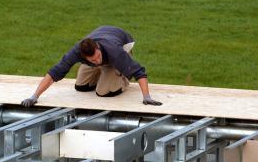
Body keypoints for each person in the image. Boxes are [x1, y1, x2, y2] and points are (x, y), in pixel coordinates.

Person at [21, 26, 162, 107]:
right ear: (83, 57)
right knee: (81, 87)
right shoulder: (76, 52)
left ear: (98, 47)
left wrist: (147, 96)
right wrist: (34, 96)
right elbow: (54, 73)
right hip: (104, 39)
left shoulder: (114, 51)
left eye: (98, 57)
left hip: (122, 44)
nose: (97, 60)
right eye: (93, 60)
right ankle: (101, 72)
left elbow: (139, 72)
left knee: (103, 92)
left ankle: (122, 77)